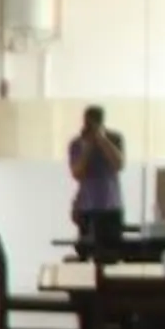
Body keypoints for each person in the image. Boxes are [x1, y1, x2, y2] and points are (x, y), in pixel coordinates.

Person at [68, 106, 127, 254]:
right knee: (86, 250)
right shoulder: (77, 143)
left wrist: (102, 140)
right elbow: (77, 173)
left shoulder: (115, 139)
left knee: (112, 252)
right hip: (86, 206)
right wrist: (88, 147)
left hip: (111, 205)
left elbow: (119, 164)